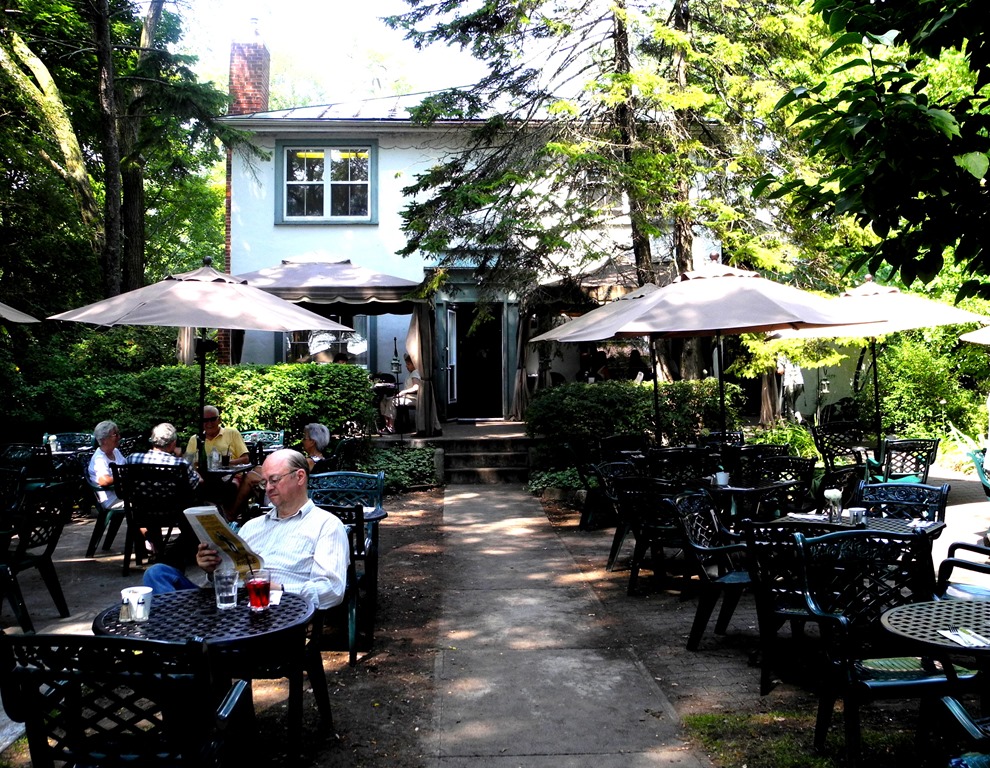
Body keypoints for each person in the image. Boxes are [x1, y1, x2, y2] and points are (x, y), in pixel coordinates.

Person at [142, 449, 350, 610]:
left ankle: (182, 648)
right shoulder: (252, 526)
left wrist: (281, 590)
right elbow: (228, 576)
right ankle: (182, 644)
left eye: (274, 480)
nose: (268, 488)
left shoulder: (326, 525)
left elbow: (332, 590)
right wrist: (212, 569)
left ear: (300, 477)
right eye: (264, 482)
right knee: (158, 574)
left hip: (273, 611)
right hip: (228, 604)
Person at [125, 422, 204, 565]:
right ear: (173, 444)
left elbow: (125, 484)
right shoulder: (180, 464)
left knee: (151, 503)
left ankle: (159, 551)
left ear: (152, 440)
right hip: (175, 513)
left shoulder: (132, 459)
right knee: (198, 504)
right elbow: (196, 484)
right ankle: (182, 551)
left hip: (143, 511)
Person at [184, 406, 250, 467]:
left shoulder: (232, 433)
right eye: (205, 420)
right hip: (204, 477)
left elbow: (245, 459)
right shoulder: (195, 439)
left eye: (213, 419)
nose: (209, 423)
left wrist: (226, 463)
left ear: (219, 420)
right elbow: (188, 462)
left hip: (231, 475)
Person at [88, 420, 124, 511]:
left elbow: (126, 466)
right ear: (104, 440)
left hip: (122, 494)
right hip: (111, 500)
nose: (119, 437)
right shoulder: (99, 458)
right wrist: (123, 477)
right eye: (115, 435)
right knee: (143, 504)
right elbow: (104, 481)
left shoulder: (115, 451)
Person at [381, 353, 420, 432]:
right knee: (383, 401)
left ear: (414, 364)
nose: (406, 366)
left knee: (392, 401)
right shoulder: (410, 373)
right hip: (407, 396)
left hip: (414, 398)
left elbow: (416, 387)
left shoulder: (415, 372)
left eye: (408, 364)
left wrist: (403, 392)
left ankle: (391, 427)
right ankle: (387, 424)